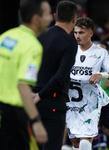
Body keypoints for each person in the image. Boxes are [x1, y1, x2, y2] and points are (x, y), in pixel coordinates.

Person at [0, 0, 52, 149]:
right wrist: (36, 121)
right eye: (48, 14)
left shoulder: (5, 37)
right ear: (37, 19)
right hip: (13, 116)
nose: (51, 18)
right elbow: (23, 85)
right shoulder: (32, 46)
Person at [66, 17, 109, 150]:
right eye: (76, 32)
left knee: (85, 140)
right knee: (76, 142)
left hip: (91, 101)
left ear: (91, 33)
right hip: (71, 101)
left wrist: (101, 74)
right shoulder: (69, 50)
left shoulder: (100, 53)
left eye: (81, 33)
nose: (77, 36)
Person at [32, 1, 78, 150]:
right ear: (74, 19)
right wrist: (41, 94)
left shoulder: (40, 36)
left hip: (32, 100)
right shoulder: (70, 42)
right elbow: (60, 76)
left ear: (55, 16)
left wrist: (34, 94)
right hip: (52, 101)